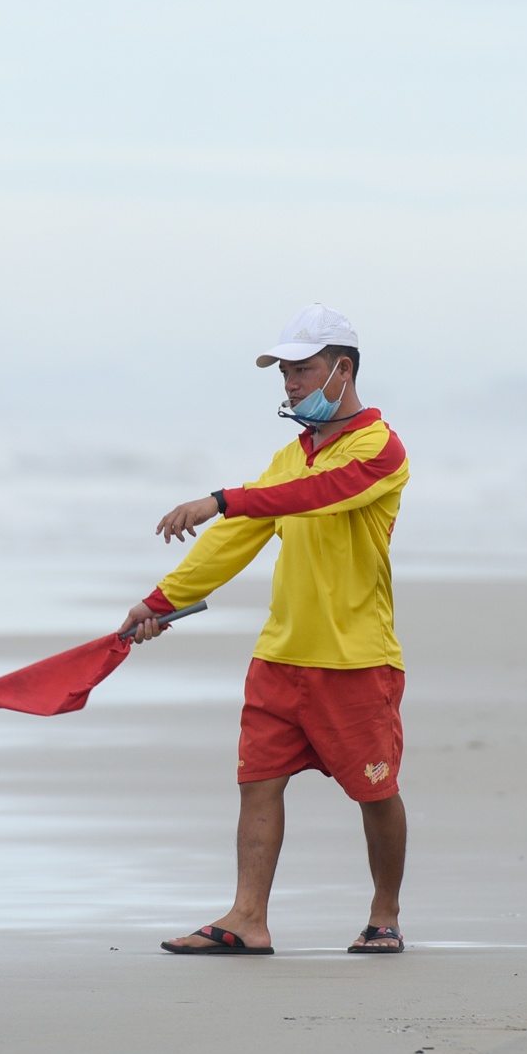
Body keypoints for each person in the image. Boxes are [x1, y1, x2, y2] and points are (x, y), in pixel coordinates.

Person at [118, 304, 411, 956]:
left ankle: (384, 914)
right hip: (280, 655)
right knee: (257, 785)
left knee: (375, 791)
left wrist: (221, 497)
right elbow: (236, 539)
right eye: (284, 372)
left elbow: (316, 495)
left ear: (342, 369)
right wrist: (159, 602)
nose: (290, 383)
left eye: (302, 369)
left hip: (356, 659)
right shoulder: (288, 458)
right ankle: (248, 918)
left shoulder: (380, 449)